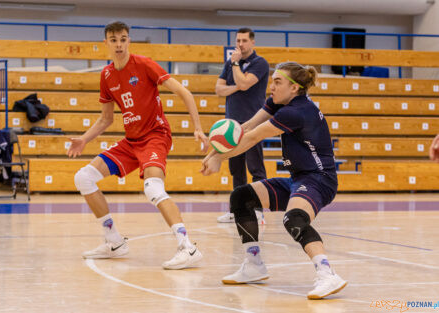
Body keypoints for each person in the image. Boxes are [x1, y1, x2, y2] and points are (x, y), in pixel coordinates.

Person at [67, 21, 208, 270]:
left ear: (129, 40)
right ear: (106, 43)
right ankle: (114, 242)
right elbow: (106, 118)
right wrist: (84, 139)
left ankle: (187, 246)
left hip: (156, 135)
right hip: (131, 141)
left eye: (123, 39)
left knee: (152, 188)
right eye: (113, 40)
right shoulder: (107, 75)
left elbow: (184, 93)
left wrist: (197, 127)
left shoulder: (144, 64)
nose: (119, 44)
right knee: (83, 178)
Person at [201, 62, 347, 299]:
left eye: (278, 82)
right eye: (273, 81)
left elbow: (251, 138)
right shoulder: (280, 103)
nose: (272, 87)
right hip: (298, 179)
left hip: (319, 180)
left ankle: (327, 274)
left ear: (294, 88)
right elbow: (247, 126)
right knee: (242, 197)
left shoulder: (295, 111)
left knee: (294, 219)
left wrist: (219, 158)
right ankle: (254, 264)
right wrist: (213, 153)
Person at [215, 28, 269, 224]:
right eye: (238, 40)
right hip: (232, 125)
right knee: (236, 169)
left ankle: (258, 210)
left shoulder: (260, 63)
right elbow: (219, 89)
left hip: (253, 123)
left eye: (244, 40)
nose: (240, 44)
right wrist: (238, 84)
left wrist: (237, 66)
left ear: (252, 42)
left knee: (256, 168)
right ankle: (236, 210)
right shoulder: (229, 64)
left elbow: (246, 84)